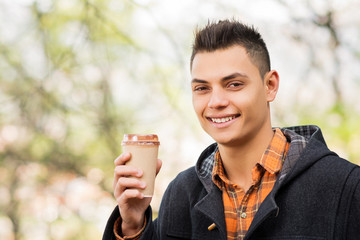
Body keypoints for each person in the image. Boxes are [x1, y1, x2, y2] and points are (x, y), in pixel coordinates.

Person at [103, 19, 360, 240]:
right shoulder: (181, 194)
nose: (216, 102)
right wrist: (133, 223)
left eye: (234, 84)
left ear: (270, 85)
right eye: (202, 88)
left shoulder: (346, 187)